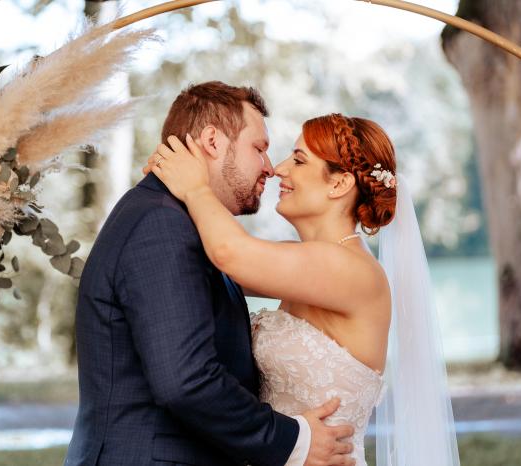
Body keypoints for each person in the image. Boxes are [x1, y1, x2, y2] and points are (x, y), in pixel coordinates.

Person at [64, 83, 356, 466]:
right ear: (213, 141)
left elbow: (250, 260)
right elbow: (185, 382)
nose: (270, 166)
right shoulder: (161, 224)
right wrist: (291, 441)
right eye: (260, 148)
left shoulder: (183, 223)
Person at [146, 113, 461, 466]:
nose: (279, 169)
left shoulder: (353, 271)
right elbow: (207, 265)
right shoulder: (302, 264)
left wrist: (195, 186)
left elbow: (228, 253)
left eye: (298, 160)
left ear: (340, 184)